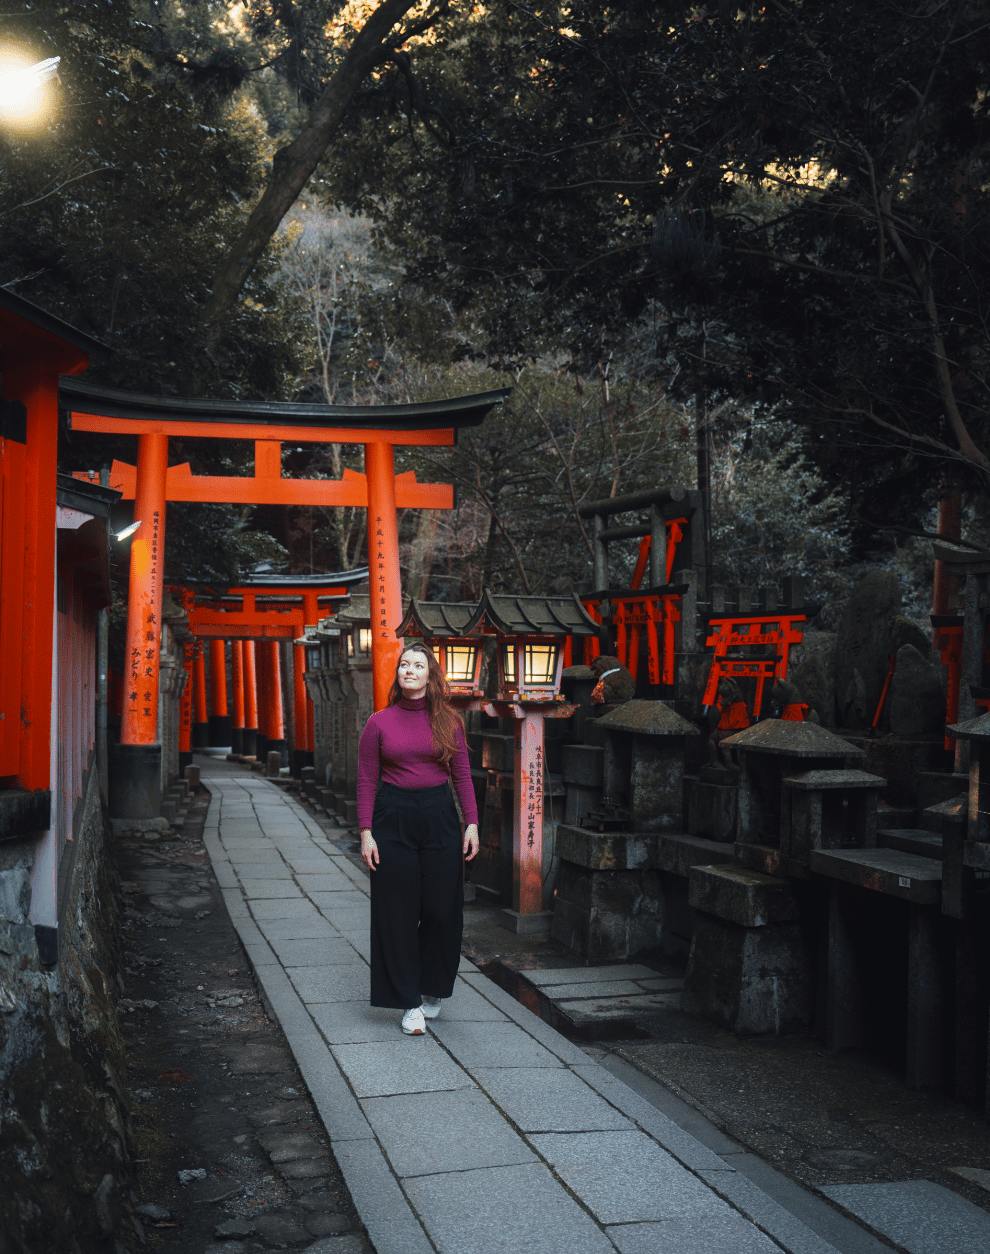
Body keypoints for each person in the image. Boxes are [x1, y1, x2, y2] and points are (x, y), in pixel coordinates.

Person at [356, 642, 480, 1036]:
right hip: (392, 817)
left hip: (440, 816)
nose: (409, 670)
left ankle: (432, 988)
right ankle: (408, 1002)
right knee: (397, 911)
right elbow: (365, 778)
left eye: (418, 665)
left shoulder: (449, 721)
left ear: (430, 675)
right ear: (399, 674)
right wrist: (365, 831)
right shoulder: (379, 722)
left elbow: (461, 774)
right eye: (404, 664)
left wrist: (472, 823)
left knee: (443, 910)